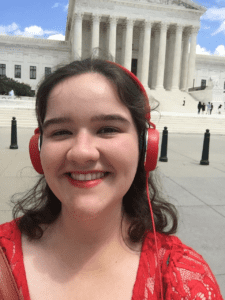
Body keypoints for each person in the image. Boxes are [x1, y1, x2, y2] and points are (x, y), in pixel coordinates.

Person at [0, 57, 223, 300]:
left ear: (145, 147)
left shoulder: (185, 280)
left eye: (108, 129)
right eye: (61, 132)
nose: (82, 152)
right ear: (38, 149)